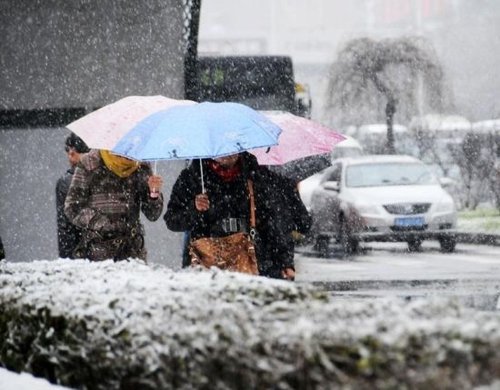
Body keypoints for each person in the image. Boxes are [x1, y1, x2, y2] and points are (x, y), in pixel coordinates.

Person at [164, 151, 311, 279]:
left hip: (251, 262)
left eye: (232, 147)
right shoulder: (192, 177)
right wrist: (194, 209)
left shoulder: (256, 176)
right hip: (205, 263)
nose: (227, 153)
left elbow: (276, 223)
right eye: (221, 148)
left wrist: (284, 262)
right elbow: (172, 220)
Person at [64, 149, 164, 261]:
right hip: (98, 251)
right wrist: (103, 224)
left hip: (133, 251)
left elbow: (153, 214)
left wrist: (153, 194)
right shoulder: (91, 162)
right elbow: (72, 207)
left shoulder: (141, 165)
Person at [56, 133, 90, 258]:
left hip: (78, 251)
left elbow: (64, 225)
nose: (69, 156)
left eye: (72, 152)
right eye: (68, 151)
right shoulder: (102, 176)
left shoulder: (66, 182)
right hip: (100, 248)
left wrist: (66, 257)